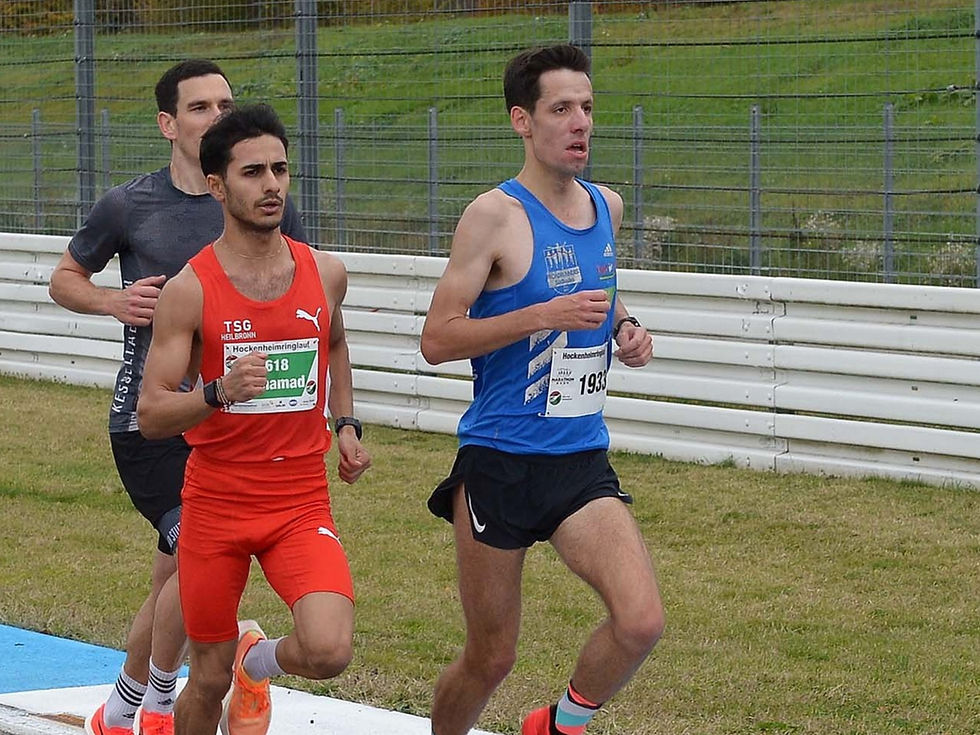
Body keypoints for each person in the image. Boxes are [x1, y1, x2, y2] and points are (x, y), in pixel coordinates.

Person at [48, 60, 307, 735]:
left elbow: (302, 299)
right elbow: (64, 276)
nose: (218, 117)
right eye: (200, 108)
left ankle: (120, 709)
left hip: (235, 430)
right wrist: (110, 298)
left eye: (226, 104)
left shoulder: (264, 201)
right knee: (190, 547)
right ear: (168, 124)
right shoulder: (130, 205)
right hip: (153, 424)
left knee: (175, 576)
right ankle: (162, 705)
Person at [420, 44, 664, 735]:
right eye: (561, 108)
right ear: (522, 121)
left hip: (579, 460)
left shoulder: (605, 206)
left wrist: (627, 327)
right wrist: (540, 317)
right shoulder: (493, 217)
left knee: (641, 619)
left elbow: (600, 293)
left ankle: (557, 725)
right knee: (491, 656)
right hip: (500, 461)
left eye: (587, 107)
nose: (579, 122)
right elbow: (437, 338)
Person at [136, 102, 370, 735]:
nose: (271, 185)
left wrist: (345, 423)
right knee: (205, 681)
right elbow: (152, 413)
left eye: (280, 170)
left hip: (299, 498)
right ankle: (223, 670)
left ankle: (255, 658)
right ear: (217, 185)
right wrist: (216, 391)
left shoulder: (324, 272)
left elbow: (337, 343)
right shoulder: (190, 289)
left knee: (328, 648)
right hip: (216, 501)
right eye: (252, 173)